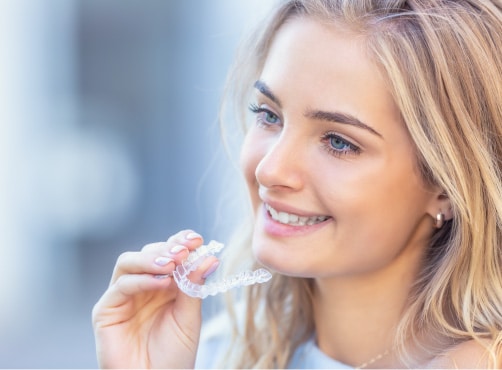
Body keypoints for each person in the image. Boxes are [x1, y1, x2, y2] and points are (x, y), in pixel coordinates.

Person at [92, 0, 502, 367]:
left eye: (339, 142)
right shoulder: (213, 354)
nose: (270, 170)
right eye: (269, 115)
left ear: (446, 185)